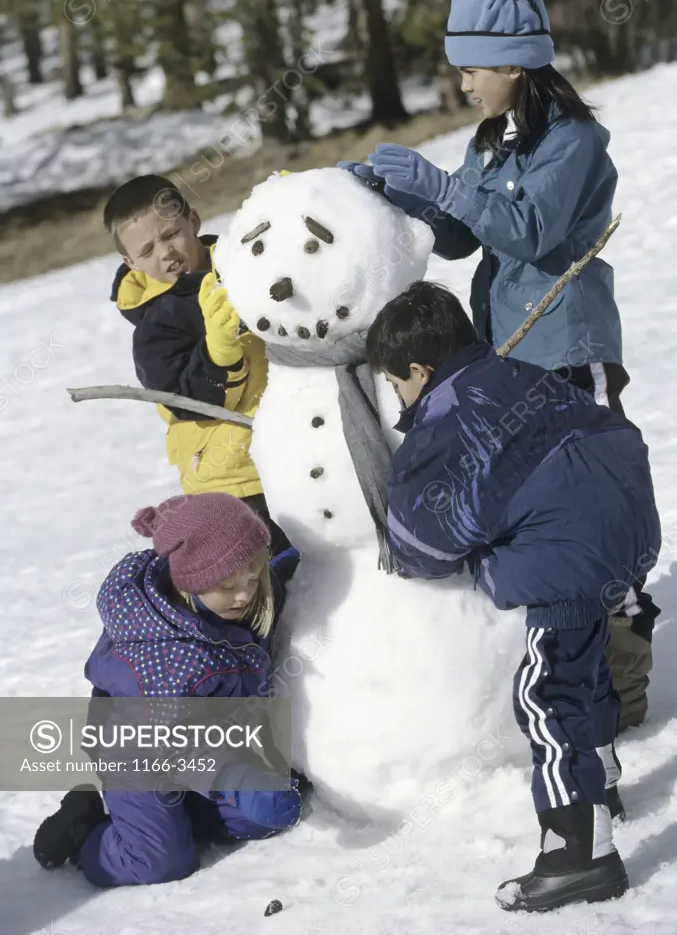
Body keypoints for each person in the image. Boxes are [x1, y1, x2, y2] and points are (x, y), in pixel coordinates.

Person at [339, 0, 659, 731]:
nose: (462, 82)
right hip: (508, 346)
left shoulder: (573, 142)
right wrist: (401, 193)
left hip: (565, 341)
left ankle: (622, 672)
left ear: (514, 63)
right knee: (533, 509)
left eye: (471, 67)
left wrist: (444, 190)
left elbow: (531, 231)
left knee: (584, 506)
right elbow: (462, 230)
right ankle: (557, 656)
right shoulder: (494, 140)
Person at [366, 281, 661, 913]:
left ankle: (578, 855)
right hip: (623, 538)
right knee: (584, 674)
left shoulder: (451, 418)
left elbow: (420, 541)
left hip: (564, 562)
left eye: (397, 386)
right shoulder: (523, 374)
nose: (400, 400)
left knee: (547, 699)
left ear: (418, 370)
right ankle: (602, 787)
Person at [33, 493, 307, 886]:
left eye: (252, 576)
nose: (244, 594)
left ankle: (178, 817)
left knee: (252, 818)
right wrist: (233, 779)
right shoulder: (168, 660)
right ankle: (84, 832)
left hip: (208, 741)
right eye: (228, 585)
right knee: (160, 862)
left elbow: (272, 577)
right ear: (189, 585)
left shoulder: (235, 603)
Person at [105, 173, 288, 556]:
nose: (165, 253)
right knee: (272, 576)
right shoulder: (155, 327)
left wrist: (288, 202)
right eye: (147, 250)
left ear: (194, 220)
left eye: (171, 234)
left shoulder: (246, 263)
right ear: (129, 261)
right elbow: (190, 399)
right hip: (237, 480)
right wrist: (220, 350)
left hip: (302, 443)